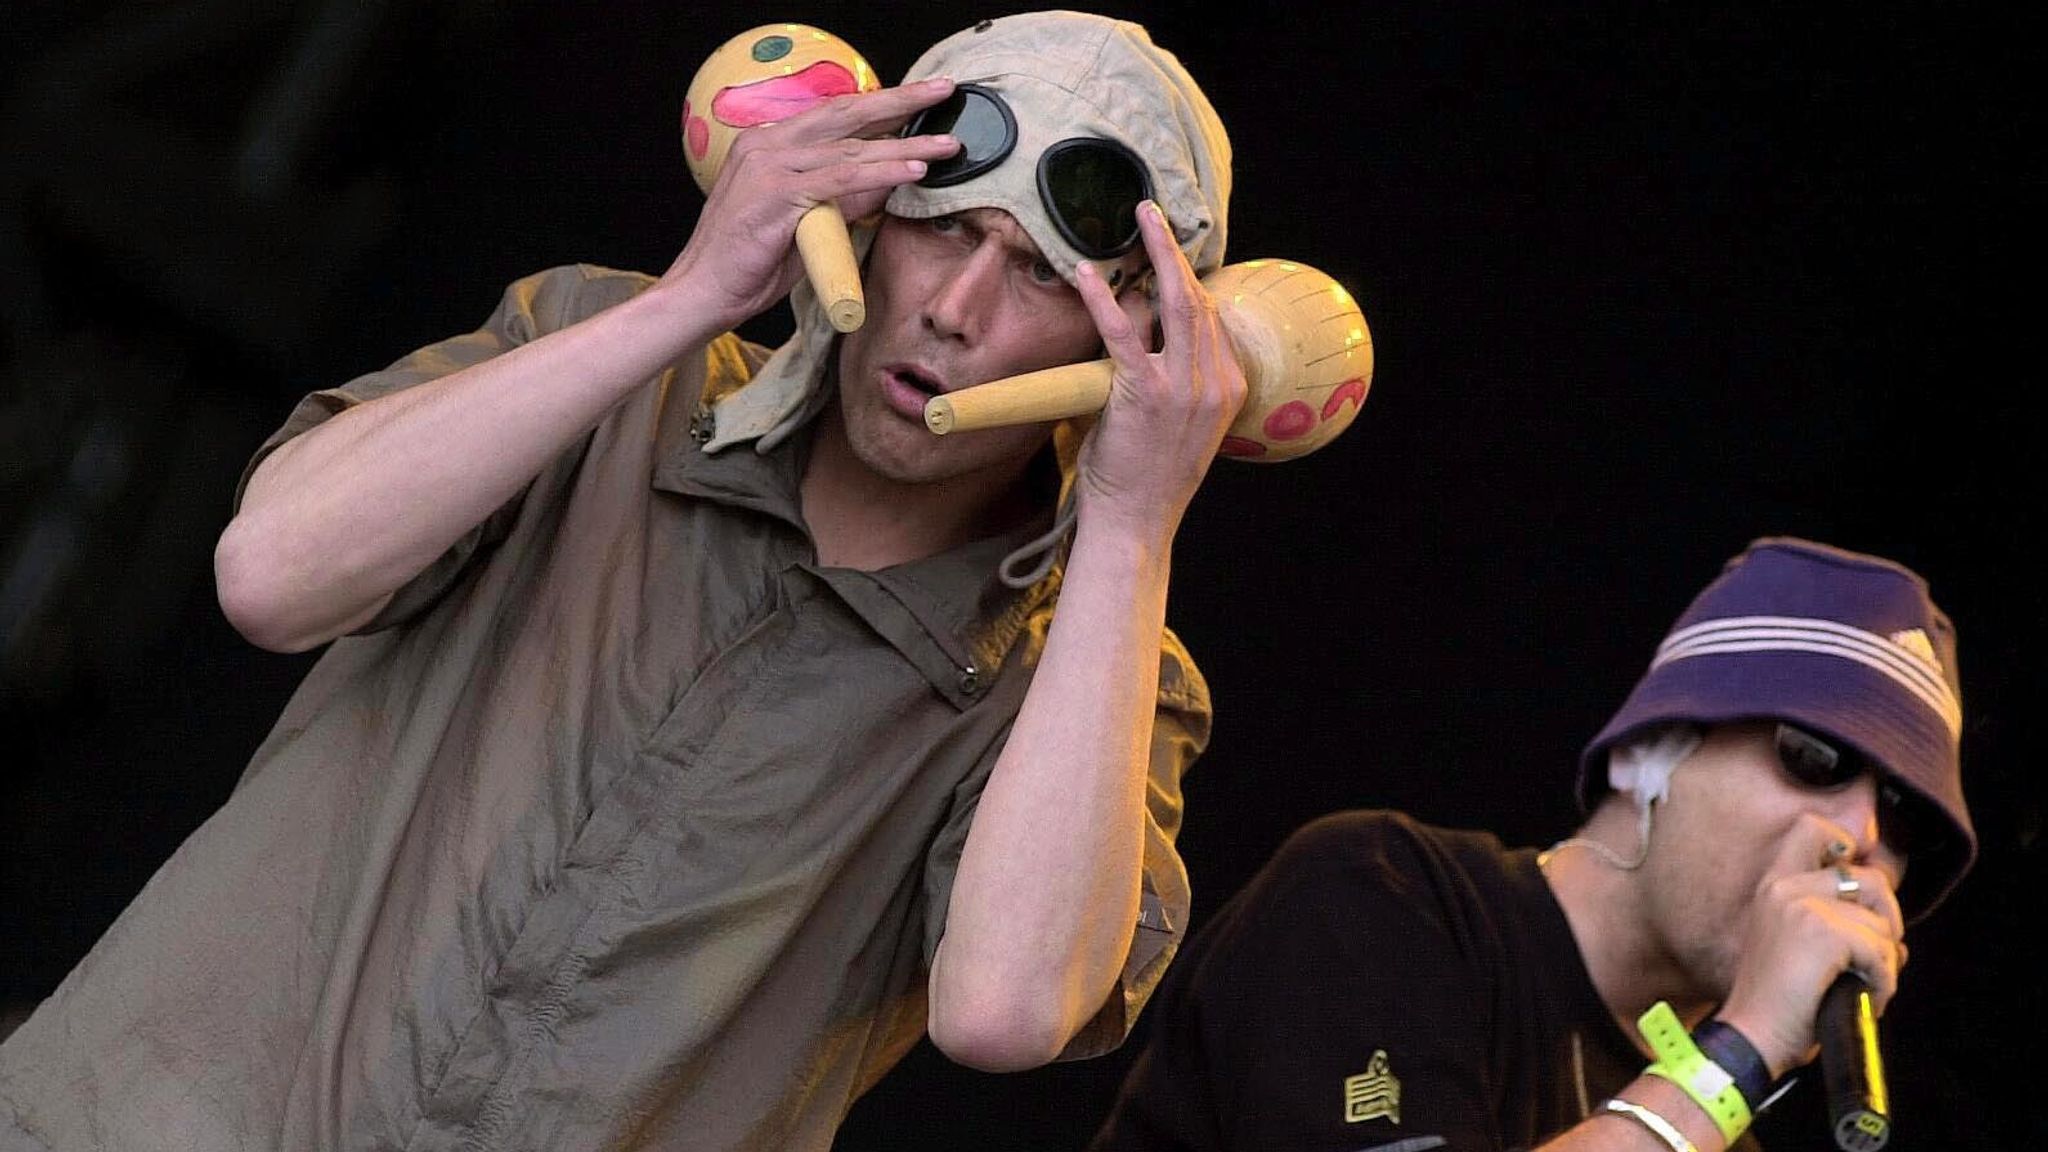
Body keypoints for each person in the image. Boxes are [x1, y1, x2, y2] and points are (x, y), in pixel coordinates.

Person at [0, 11, 1246, 1151]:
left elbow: (1006, 1012)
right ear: (866, 212)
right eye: (942, 228)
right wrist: (698, 295)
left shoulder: (1095, 678)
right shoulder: (596, 365)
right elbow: (271, 577)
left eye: (1039, 273)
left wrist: (1131, 525)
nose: (957, 311)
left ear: (1127, 339)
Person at [1086, 535, 1978, 1152]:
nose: (1859, 837)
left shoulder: (1709, 1122)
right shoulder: (1378, 894)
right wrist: (1737, 1057)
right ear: (1649, 751)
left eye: (1903, 821)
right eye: (1813, 759)